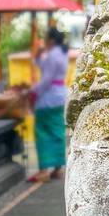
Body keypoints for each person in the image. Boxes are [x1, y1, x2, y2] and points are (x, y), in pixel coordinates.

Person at [29, 25, 69, 183]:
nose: (44, 41)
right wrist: (38, 58)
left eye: (45, 38)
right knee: (57, 131)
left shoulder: (52, 55)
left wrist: (33, 92)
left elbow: (46, 79)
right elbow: (45, 69)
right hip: (59, 96)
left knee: (42, 133)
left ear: (51, 40)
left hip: (48, 98)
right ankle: (58, 167)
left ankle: (44, 170)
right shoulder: (61, 53)